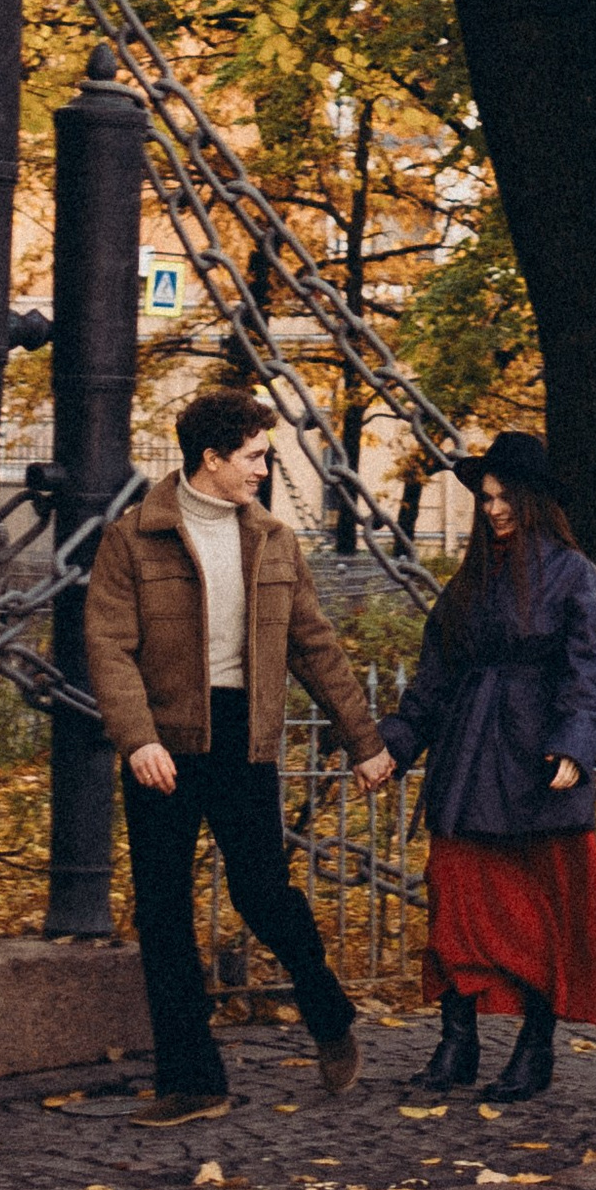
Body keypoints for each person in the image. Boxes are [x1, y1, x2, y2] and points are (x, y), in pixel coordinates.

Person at [84, 388, 394, 1126]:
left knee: (263, 894)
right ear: (212, 458)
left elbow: (314, 647)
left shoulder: (275, 542)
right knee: (163, 913)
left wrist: (366, 742)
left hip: (242, 737)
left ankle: (325, 1008)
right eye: (254, 455)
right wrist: (139, 739)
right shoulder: (133, 538)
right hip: (163, 740)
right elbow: (108, 646)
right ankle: (194, 1081)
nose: (263, 468)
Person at [378, 431, 596, 1106]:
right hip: (465, 761)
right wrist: (393, 746)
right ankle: (457, 1040)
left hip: (535, 764)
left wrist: (574, 745)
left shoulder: (575, 575)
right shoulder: (470, 582)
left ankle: (533, 1047)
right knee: (454, 899)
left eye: (505, 497)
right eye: (485, 498)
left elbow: (586, 674)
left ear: (534, 500)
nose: (492, 509)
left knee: (529, 915)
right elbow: (434, 678)